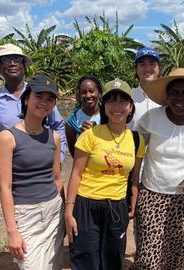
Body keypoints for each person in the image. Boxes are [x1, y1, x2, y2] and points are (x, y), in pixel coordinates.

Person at [131, 68, 184, 270]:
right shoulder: (151, 118)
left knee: (183, 258)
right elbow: (135, 151)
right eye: (175, 92)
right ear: (166, 96)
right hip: (152, 198)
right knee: (149, 259)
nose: (180, 97)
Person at [64, 78, 145, 270]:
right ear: (104, 105)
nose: (117, 106)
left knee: (113, 260)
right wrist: (69, 212)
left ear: (131, 107)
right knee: (85, 261)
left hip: (117, 208)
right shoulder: (90, 135)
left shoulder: (136, 139)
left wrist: (132, 206)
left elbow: (134, 178)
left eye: (122, 100)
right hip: (86, 206)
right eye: (111, 100)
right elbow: (76, 174)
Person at [0, 75, 65, 269]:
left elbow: (57, 179)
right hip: (26, 215)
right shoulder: (7, 138)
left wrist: (65, 214)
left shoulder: (55, 137)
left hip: (54, 211)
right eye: (39, 96)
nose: (44, 102)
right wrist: (12, 232)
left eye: (50, 99)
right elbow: (5, 187)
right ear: (27, 99)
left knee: (54, 266)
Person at [0, 43, 66, 201]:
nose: (12, 63)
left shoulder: (39, 93)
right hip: (13, 170)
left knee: (48, 204)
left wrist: (58, 158)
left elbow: (58, 126)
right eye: (6, 59)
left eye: (16, 59)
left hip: (42, 166)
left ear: (24, 65)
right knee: (17, 211)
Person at [65, 75, 103, 157]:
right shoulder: (72, 122)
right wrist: (85, 138)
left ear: (99, 93)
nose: (88, 95)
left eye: (92, 91)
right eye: (84, 92)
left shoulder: (108, 116)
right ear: (79, 95)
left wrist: (97, 132)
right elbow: (74, 155)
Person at [128, 47, 162, 130]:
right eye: (142, 64)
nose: (147, 69)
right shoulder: (128, 97)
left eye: (152, 64)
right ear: (136, 69)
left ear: (159, 68)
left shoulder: (168, 97)